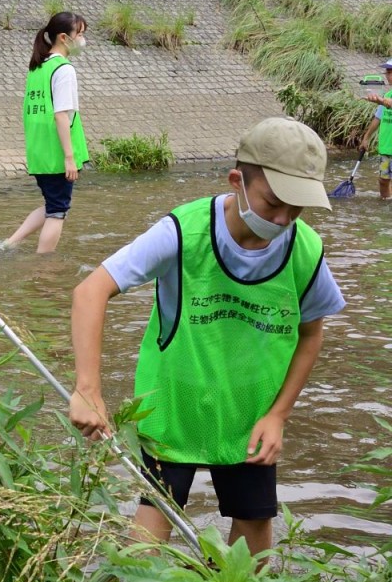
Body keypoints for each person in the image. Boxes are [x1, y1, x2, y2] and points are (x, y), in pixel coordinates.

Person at [68, 118, 345, 556]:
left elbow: (311, 335)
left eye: (297, 209)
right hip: (174, 407)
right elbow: (91, 291)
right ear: (237, 181)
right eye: (274, 203)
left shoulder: (305, 250)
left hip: (248, 416)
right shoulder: (184, 231)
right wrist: (87, 389)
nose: (283, 219)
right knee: (152, 525)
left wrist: (278, 416)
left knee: (254, 531)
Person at [4, 11, 90, 253]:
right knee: (58, 212)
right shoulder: (63, 69)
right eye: (80, 34)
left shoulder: (37, 67)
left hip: (39, 152)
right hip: (56, 154)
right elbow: (61, 115)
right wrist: (69, 157)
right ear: (64, 37)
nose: (83, 40)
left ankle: (9, 244)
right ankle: (44, 268)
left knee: (52, 203)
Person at [359, 58, 392, 199]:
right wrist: (366, 138)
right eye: (387, 72)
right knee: (383, 181)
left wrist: (381, 101)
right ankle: (386, 206)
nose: (388, 76)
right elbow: (378, 118)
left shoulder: (386, 99)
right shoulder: (388, 95)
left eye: (391, 72)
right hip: (386, 148)